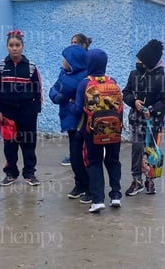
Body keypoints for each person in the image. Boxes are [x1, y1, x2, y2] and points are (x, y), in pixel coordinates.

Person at [70, 48, 123, 213]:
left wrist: (71, 103)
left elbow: (78, 109)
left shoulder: (84, 83)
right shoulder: (112, 81)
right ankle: (115, 195)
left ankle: (98, 199)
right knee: (113, 161)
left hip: (92, 130)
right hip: (114, 129)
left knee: (94, 162)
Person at [0, 30, 43, 186]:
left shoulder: (31, 66)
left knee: (28, 143)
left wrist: (36, 109)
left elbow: (38, 88)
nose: (14, 48)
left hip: (27, 111)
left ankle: (29, 173)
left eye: (17, 45)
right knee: (10, 144)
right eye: (11, 45)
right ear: (7, 47)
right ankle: (11, 173)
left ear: (22, 47)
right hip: (7, 113)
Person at [122, 39, 165, 196]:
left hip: (153, 124)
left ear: (148, 62)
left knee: (151, 152)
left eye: (140, 60)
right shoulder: (134, 75)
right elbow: (126, 93)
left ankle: (150, 180)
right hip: (137, 121)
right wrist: (133, 101)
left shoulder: (161, 80)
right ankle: (136, 180)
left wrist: (151, 110)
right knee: (137, 149)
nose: (137, 62)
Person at [49, 45, 91, 203]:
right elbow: (53, 90)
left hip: (80, 122)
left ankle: (88, 187)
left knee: (79, 156)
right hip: (68, 120)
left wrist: (62, 95)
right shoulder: (63, 73)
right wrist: (57, 96)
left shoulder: (83, 78)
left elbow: (68, 92)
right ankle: (79, 184)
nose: (63, 61)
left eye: (66, 59)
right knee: (75, 157)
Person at [60, 33, 93, 167]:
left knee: (81, 139)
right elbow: (57, 88)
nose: (73, 45)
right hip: (69, 111)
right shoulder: (66, 69)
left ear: (84, 45)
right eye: (72, 42)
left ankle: (82, 160)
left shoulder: (89, 65)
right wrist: (58, 95)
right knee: (73, 138)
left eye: (76, 43)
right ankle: (75, 156)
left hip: (81, 111)